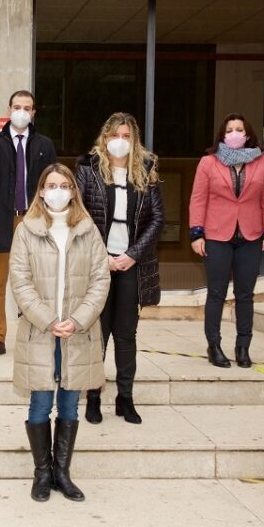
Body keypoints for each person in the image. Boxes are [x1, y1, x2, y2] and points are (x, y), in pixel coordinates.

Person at [9, 163, 111, 503]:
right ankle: (42, 473)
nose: (58, 190)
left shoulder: (87, 229)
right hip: (41, 332)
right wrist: (47, 319)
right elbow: (20, 281)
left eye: (64, 185)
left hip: (77, 333)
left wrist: (78, 319)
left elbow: (100, 280)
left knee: (69, 403)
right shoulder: (26, 229)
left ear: (73, 191)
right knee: (40, 403)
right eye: (51, 185)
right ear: (40, 190)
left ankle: (62, 473)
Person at [75, 113, 164, 425]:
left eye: (127, 135)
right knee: (96, 334)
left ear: (134, 139)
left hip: (130, 265)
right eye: (115, 134)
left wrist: (132, 255)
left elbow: (156, 220)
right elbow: (80, 215)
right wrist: (103, 256)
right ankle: (94, 397)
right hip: (97, 265)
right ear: (105, 136)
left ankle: (125, 398)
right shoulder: (88, 169)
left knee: (126, 335)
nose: (120, 141)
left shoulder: (146, 170)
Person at [0, 90, 57, 359]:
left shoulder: (44, 144)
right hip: (1, 222)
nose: (21, 111)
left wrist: (55, 219)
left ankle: (41, 334)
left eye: (27, 107)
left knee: (39, 282)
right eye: (17, 106)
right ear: (9, 109)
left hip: (35, 221)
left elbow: (55, 185)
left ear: (33, 113)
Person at [189, 113, 264, 369]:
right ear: (222, 135)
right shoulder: (208, 162)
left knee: (245, 295)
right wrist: (197, 233)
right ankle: (214, 345)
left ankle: (243, 347)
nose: (235, 133)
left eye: (239, 129)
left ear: (247, 134)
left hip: (251, 236)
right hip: (217, 236)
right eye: (230, 130)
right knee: (216, 293)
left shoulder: (262, 162)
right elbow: (198, 199)